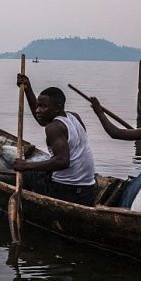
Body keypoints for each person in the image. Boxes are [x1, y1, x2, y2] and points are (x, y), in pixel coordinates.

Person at [12, 74, 96, 206]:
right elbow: (41, 119)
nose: (38, 110)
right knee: (40, 171)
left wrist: (26, 165)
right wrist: (28, 89)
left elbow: (63, 161)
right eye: (38, 106)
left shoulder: (54, 128)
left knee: (27, 175)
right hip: (89, 190)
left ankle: (28, 209)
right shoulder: (74, 117)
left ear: (57, 108)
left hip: (66, 191)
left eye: (43, 107)